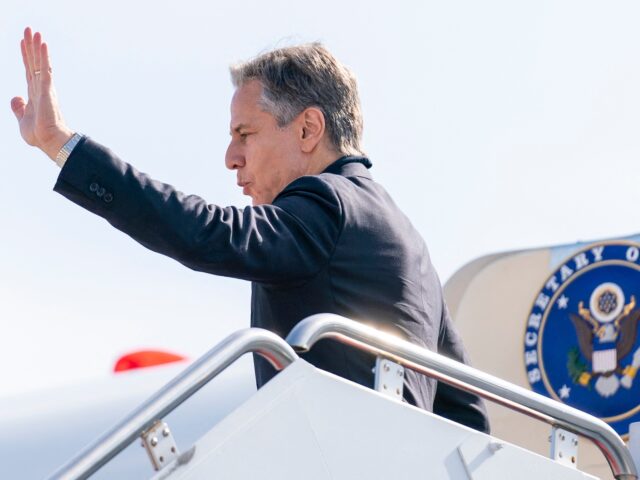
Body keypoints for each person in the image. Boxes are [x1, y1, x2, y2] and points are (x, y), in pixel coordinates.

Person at [11, 27, 489, 433]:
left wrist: (61, 146)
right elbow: (465, 413)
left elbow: (205, 233)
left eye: (245, 134)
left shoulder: (325, 204)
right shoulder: (410, 244)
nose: (230, 158)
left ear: (307, 130)